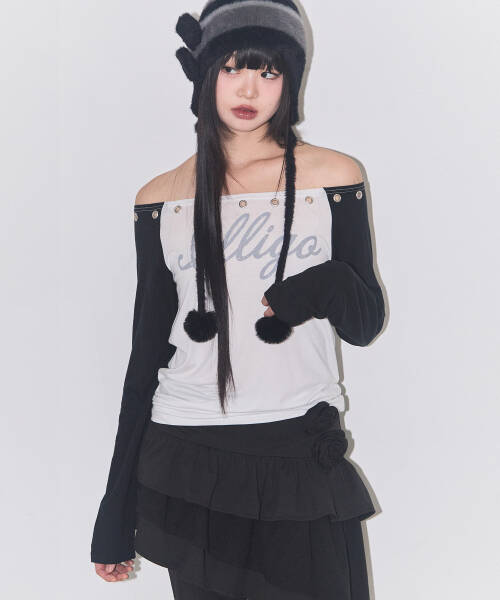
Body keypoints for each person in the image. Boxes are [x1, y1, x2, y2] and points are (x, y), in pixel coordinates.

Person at [91, 1, 386, 598]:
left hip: (296, 445)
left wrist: (320, 285)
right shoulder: (160, 197)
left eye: (268, 71)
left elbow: (364, 323)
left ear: (291, 80)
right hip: (187, 451)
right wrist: (113, 511)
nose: (249, 88)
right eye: (231, 67)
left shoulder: (333, 177)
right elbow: (145, 354)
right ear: (204, 73)